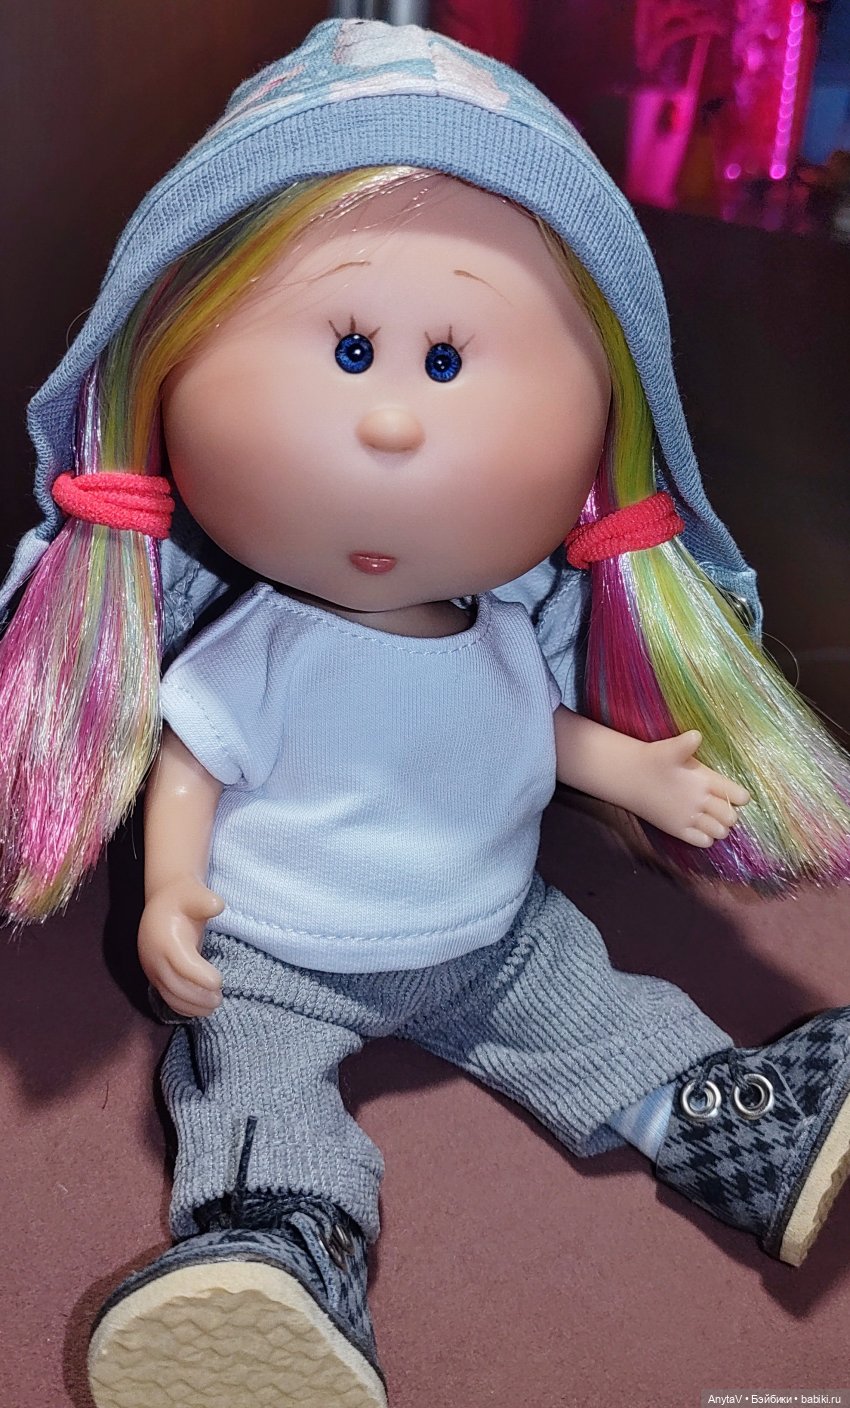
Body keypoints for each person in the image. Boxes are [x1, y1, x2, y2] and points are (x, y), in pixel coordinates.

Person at [2, 19, 849, 1408]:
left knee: (597, 1008)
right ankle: (282, 1250)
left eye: (445, 361)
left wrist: (640, 779)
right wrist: (169, 891)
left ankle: (727, 1125)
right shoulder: (259, 642)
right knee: (251, 1081)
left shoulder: (505, 627)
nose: (392, 424)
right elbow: (193, 764)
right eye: (349, 348)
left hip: (489, 931)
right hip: (279, 948)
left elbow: (530, 734)